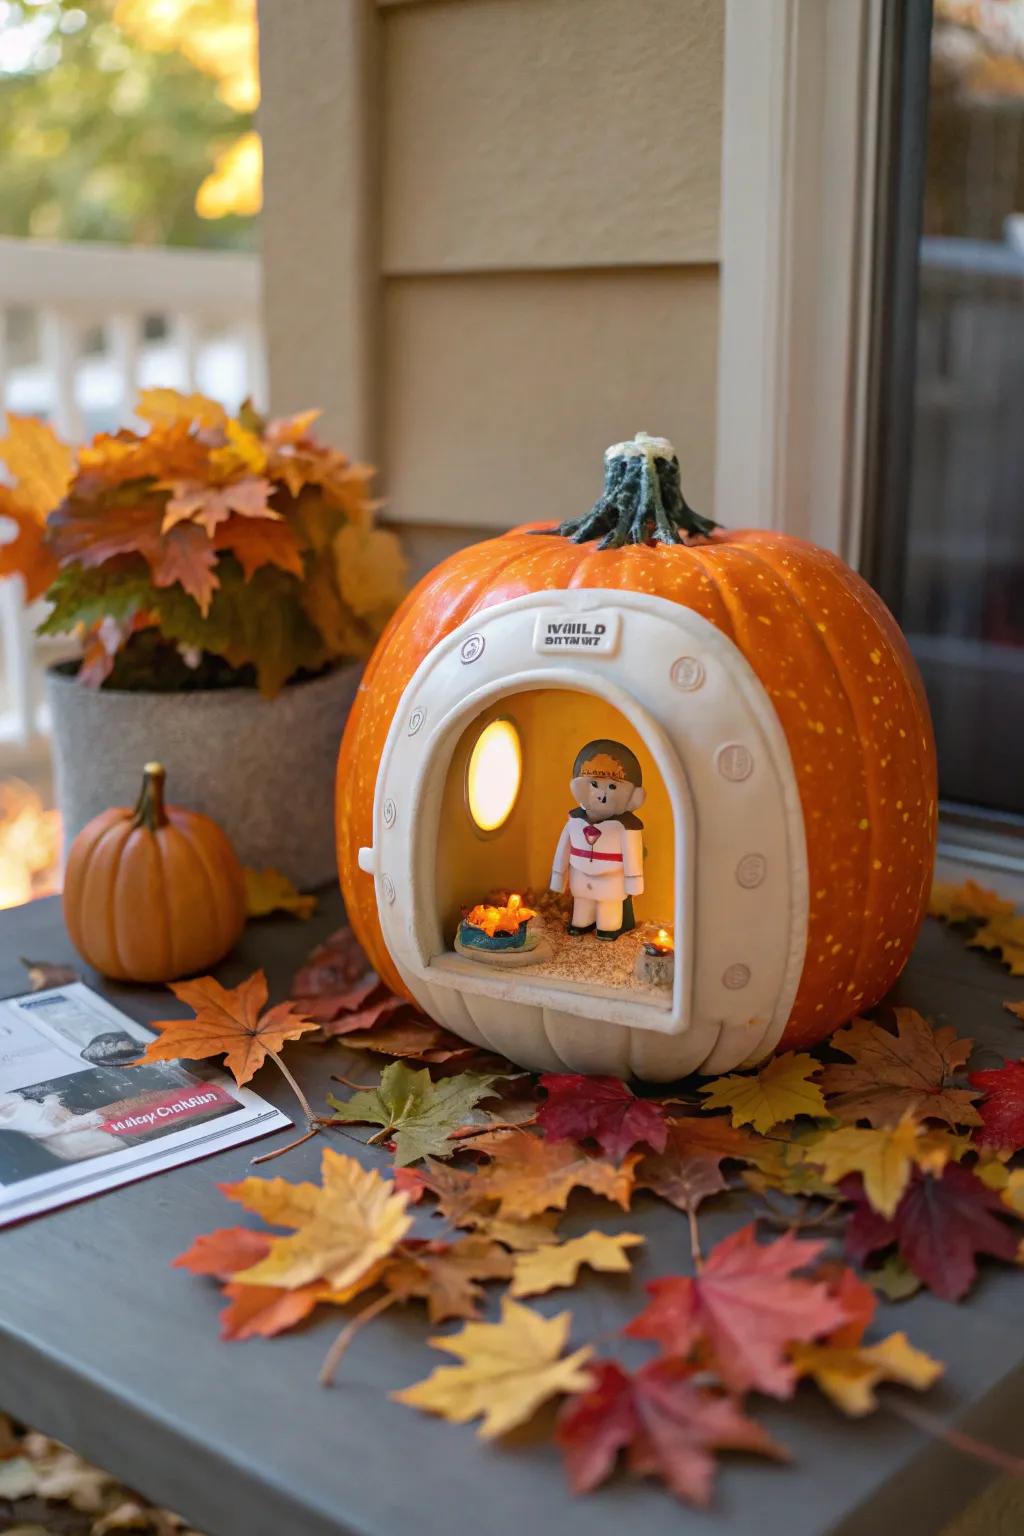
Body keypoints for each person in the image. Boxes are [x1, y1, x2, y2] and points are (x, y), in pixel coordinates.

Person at [549, 739, 645, 940]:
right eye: (594, 784)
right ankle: (581, 923)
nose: (602, 795)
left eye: (612, 786)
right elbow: (563, 849)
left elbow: (632, 856)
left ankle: (608, 928)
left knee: (608, 912)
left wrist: (633, 881)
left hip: (611, 879)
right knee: (582, 907)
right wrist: (558, 876)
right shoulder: (574, 820)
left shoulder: (626, 827)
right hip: (580, 875)